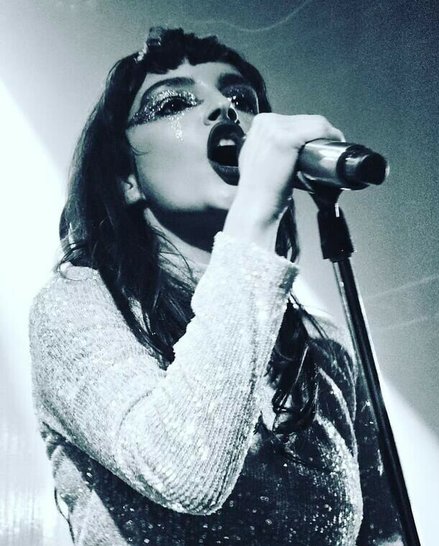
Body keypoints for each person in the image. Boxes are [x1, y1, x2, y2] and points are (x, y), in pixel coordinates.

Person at [29, 27, 403, 545]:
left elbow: (383, 534)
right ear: (125, 179)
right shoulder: (79, 304)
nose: (225, 110)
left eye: (242, 100)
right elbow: (186, 474)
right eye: (172, 104)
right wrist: (256, 214)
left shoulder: (325, 348)